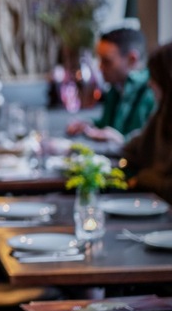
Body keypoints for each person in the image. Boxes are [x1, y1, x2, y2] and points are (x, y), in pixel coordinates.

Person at [67, 28, 155, 144]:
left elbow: (154, 144)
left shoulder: (153, 91)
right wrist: (90, 124)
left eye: (107, 61)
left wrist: (121, 141)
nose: (100, 68)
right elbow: (108, 125)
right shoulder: (115, 88)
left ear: (132, 59)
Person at [122, 42, 172, 203]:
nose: (150, 83)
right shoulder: (161, 115)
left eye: (155, 77)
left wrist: (143, 177)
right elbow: (131, 150)